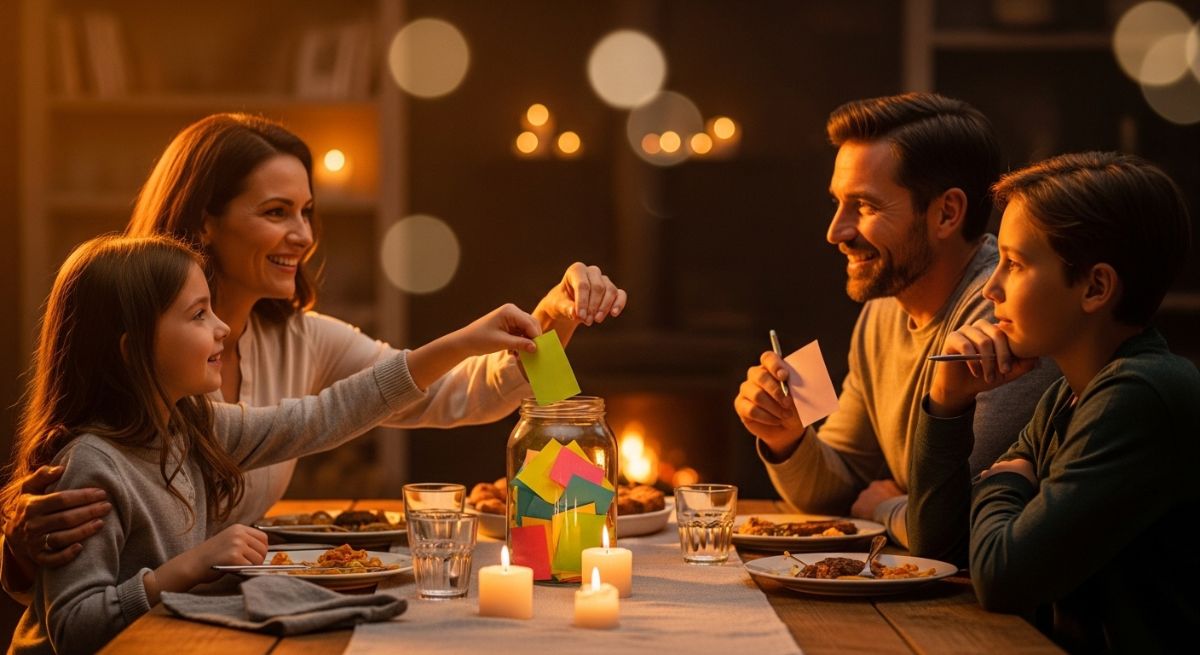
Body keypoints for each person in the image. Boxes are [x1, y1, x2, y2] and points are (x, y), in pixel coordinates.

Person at [1, 113, 627, 598]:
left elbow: (461, 393)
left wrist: (553, 323)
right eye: (276, 213)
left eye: (306, 211)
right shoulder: (130, 363)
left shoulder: (305, 338)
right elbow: (72, 585)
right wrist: (15, 541)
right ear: (204, 221)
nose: (302, 235)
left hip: (226, 610)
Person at [2, 234, 547, 653]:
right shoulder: (93, 465)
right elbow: (72, 631)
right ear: (132, 350)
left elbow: (329, 413)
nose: (221, 330)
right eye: (198, 315)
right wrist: (188, 568)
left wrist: (485, 339)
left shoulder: (190, 425)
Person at [733, 93, 1057, 547]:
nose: (836, 232)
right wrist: (787, 437)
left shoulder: (1004, 313)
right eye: (837, 203)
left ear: (946, 213)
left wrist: (880, 507)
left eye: (864, 207)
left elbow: (955, 522)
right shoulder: (883, 309)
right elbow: (840, 485)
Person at [908, 152, 1198, 652]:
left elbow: (1003, 579)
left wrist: (1000, 477)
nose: (991, 288)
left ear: (1096, 287)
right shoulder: (1067, 396)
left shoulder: (1139, 393)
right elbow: (939, 549)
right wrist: (947, 404)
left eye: (1015, 264)